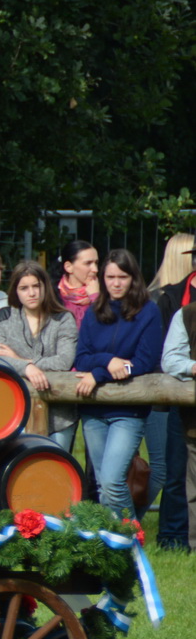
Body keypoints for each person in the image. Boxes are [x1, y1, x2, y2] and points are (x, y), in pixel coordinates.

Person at [73, 250, 161, 514]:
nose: (116, 283)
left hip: (129, 411)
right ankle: (116, 548)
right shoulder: (93, 311)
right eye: (110, 277)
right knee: (102, 485)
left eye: (122, 277)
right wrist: (110, 361)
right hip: (93, 409)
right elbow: (82, 358)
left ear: (133, 278)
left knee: (112, 482)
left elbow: (143, 362)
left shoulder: (149, 312)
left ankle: (132, 540)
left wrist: (100, 373)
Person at [0, 261, 79, 449]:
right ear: (16, 290)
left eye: (36, 286)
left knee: (57, 470)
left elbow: (64, 361)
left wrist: (23, 361)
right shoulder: (3, 318)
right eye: (24, 288)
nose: (31, 293)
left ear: (44, 287)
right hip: (15, 411)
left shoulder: (64, 318)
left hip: (60, 416)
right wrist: (27, 368)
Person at [147, 233, 195, 548]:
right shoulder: (176, 301)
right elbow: (168, 356)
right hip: (181, 402)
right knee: (177, 472)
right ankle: (174, 538)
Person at [159, 279, 195, 549]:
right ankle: (188, 544)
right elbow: (170, 359)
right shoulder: (186, 314)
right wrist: (194, 367)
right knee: (185, 483)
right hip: (191, 418)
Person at [56, 239, 101, 326]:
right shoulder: (52, 295)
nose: (95, 270)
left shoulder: (105, 294)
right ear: (68, 267)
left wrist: (95, 297)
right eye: (88, 263)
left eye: (96, 263)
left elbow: (106, 327)